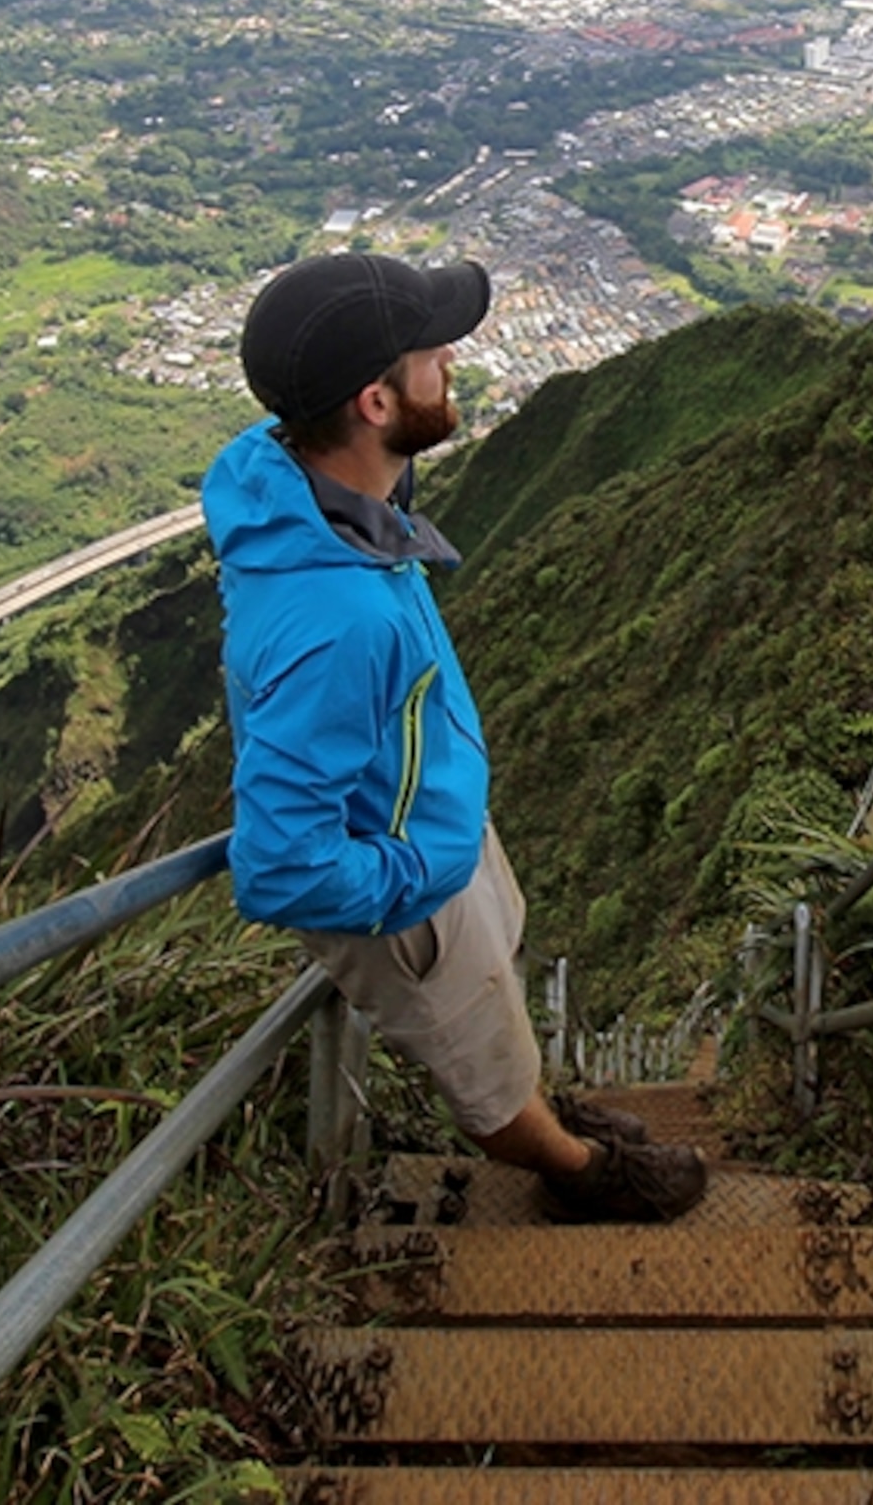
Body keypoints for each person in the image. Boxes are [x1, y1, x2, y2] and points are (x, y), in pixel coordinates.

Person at [202, 251, 707, 1222]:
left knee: (500, 1016)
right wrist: (412, 882)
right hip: (408, 902)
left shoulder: (314, 501)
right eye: (430, 353)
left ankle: (542, 1105)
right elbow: (279, 868)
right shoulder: (340, 616)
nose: (450, 361)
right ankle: (575, 1172)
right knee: (482, 1071)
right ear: (377, 403)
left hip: (429, 827)